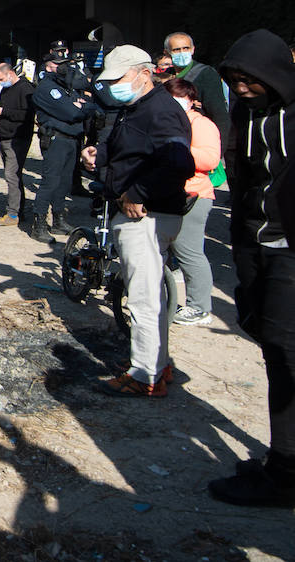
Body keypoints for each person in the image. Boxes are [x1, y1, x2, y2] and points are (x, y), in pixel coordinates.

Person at [209, 30, 295, 507]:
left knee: (286, 355)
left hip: (289, 249)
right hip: (256, 243)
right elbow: (245, 178)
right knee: (270, 348)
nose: (241, 89)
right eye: (234, 80)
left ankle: (284, 473)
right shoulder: (247, 113)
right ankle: (282, 460)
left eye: (250, 81)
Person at [81, 45, 193, 397]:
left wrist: (137, 193)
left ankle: (146, 376)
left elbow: (179, 163)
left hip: (146, 215)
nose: (112, 86)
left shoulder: (160, 110)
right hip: (144, 211)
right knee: (150, 296)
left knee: (143, 299)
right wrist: (99, 158)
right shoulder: (138, 108)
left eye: (118, 79)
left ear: (144, 74)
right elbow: (133, 154)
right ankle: (158, 364)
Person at [164, 77, 221, 327]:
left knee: (189, 253)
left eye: (182, 97)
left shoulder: (202, 124)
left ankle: (200, 308)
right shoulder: (168, 121)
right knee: (173, 250)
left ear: (191, 100)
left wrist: (177, 148)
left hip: (195, 195)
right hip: (170, 193)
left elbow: (210, 160)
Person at [29, 53, 96, 244]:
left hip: (72, 139)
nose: (64, 67)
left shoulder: (64, 87)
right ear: (49, 66)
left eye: (66, 63)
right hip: (56, 139)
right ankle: (39, 224)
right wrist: (78, 107)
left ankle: (58, 219)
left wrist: (80, 106)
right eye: (59, 64)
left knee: (64, 183)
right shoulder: (47, 88)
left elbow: (89, 108)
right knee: (50, 182)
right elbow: (72, 112)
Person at [0, 62, 34, 227]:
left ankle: (13, 213)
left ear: (10, 74)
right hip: (5, 136)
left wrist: (3, 112)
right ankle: (18, 209)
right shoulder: (7, 88)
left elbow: (27, 114)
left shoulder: (25, 89)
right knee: (14, 175)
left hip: (17, 138)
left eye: (1, 79)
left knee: (11, 175)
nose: (0, 83)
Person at [164, 31, 232, 148]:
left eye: (186, 48)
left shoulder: (205, 74)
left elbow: (219, 114)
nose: (182, 53)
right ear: (167, 52)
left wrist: (219, 151)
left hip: (199, 142)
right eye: (176, 50)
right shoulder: (164, 78)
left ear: (193, 50)